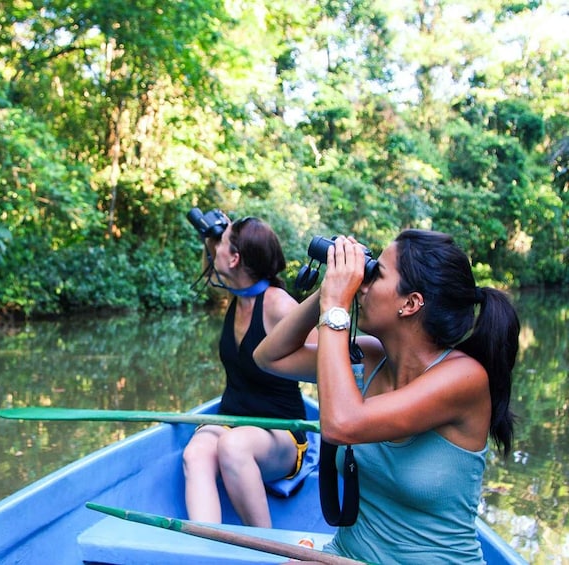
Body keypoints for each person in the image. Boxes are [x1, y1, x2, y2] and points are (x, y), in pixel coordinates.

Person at [254, 230, 519, 564]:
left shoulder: (463, 379)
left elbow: (342, 424)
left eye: (374, 275)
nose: (360, 284)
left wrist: (336, 306)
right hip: (347, 556)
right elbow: (270, 358)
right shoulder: (369, 358)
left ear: (410, 304)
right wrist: (329, 290)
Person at [182, 216, 315, 528]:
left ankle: (265, 550)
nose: (216, 251)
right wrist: (214, 233)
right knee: (196, 454)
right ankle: (206, 551)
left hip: (280, 433)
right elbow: (212, 264)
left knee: (234, 445)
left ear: (237, 258)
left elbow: (327, 361)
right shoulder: (236, 295)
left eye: (223, 244)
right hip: (232, 419)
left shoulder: (278, 305)